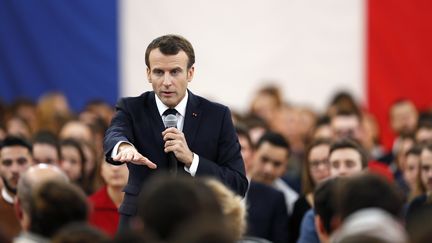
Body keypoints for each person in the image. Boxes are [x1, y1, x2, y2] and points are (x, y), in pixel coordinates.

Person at [103, 34, 248, 229]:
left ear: (190, 73)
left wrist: (192, 160)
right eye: (159, 72)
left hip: (197, 226)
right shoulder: (131, 107)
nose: (166, 82)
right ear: (148, 73)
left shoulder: (217, 115)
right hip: (141, 224)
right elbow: (116, 133)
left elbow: (237, 184)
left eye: (175, 72)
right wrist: (124, 146)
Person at [236, 126, 289, 243]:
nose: (268, 169)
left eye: (277, 164)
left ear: (286, 167)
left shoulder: (287, 198)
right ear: (253, 155)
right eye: (264, 160)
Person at [0, 136, 34, 240]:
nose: (14, 169)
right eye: (7, 163)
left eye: (21, 161)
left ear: (33, 163)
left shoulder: (44, 206)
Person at [88, 159, 129, 236]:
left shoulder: (145, 205)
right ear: (101, 169)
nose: (115, 168)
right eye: (108, 162)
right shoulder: (89, 206)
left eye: (123, 162)